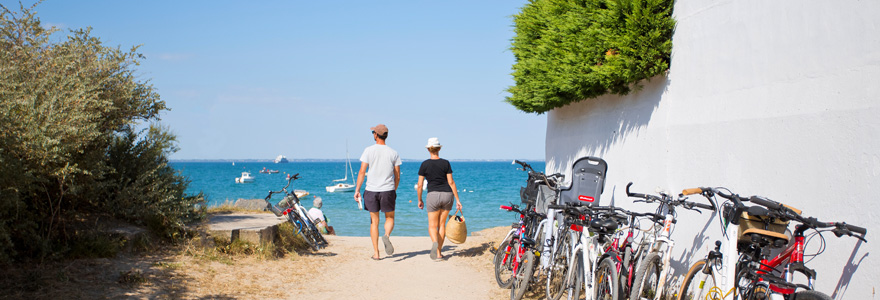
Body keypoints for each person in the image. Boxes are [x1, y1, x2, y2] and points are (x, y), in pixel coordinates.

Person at [354, 124, 402, 260]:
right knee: (390, 217)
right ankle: (386, 236)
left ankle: (376, 253)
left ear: (376, 135)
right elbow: (397, 175)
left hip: (371, 190)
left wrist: (357, 190)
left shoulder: (368, 150)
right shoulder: (394, 153)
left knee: (374, 222)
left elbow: (362, 171)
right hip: (388, 190)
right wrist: (394, 189)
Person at [416, 137, 462, 260]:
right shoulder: (445, 163)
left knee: (432, 226)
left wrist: (419, 199)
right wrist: (457, 200)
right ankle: (439, 253)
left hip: (433, 195)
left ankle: (435, 245)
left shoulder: (424, 164)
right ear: (439, 148)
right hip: (447, 194)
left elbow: (420, 185)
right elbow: (451, 182)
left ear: (428, 149)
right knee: (441, 225)